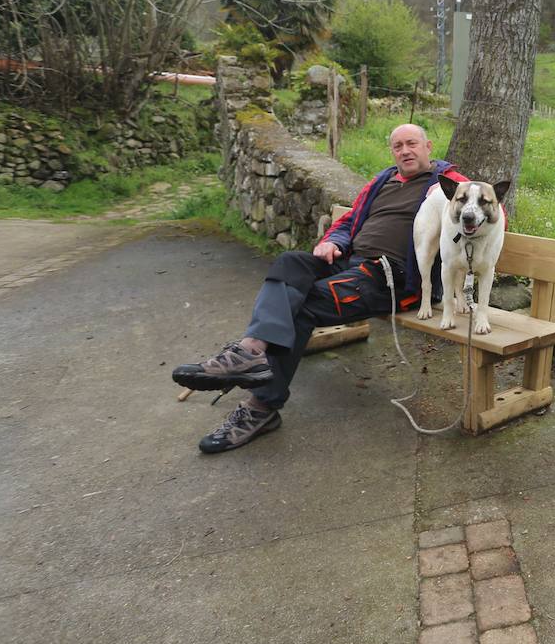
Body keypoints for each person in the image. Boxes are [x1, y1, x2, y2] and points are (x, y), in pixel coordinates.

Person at [172, 123, 465, 453]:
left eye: (412, 143)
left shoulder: (448, 184)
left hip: (389, 278)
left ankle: (261, 407)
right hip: (348, 261)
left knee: (300, 308)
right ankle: (251, 350)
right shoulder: (383, 181)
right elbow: (349, 221)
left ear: (428, 146)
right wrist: (333, 242)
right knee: (289, 263)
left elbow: (488, 207)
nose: (405, 151)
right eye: (398, 146)